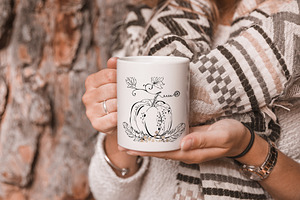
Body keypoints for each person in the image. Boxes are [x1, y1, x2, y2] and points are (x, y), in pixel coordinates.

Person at [82, 0, 300, 199]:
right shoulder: (148, 25)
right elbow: (108, 193)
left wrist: (247, 147)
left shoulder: (292, 29)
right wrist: (116, 124)